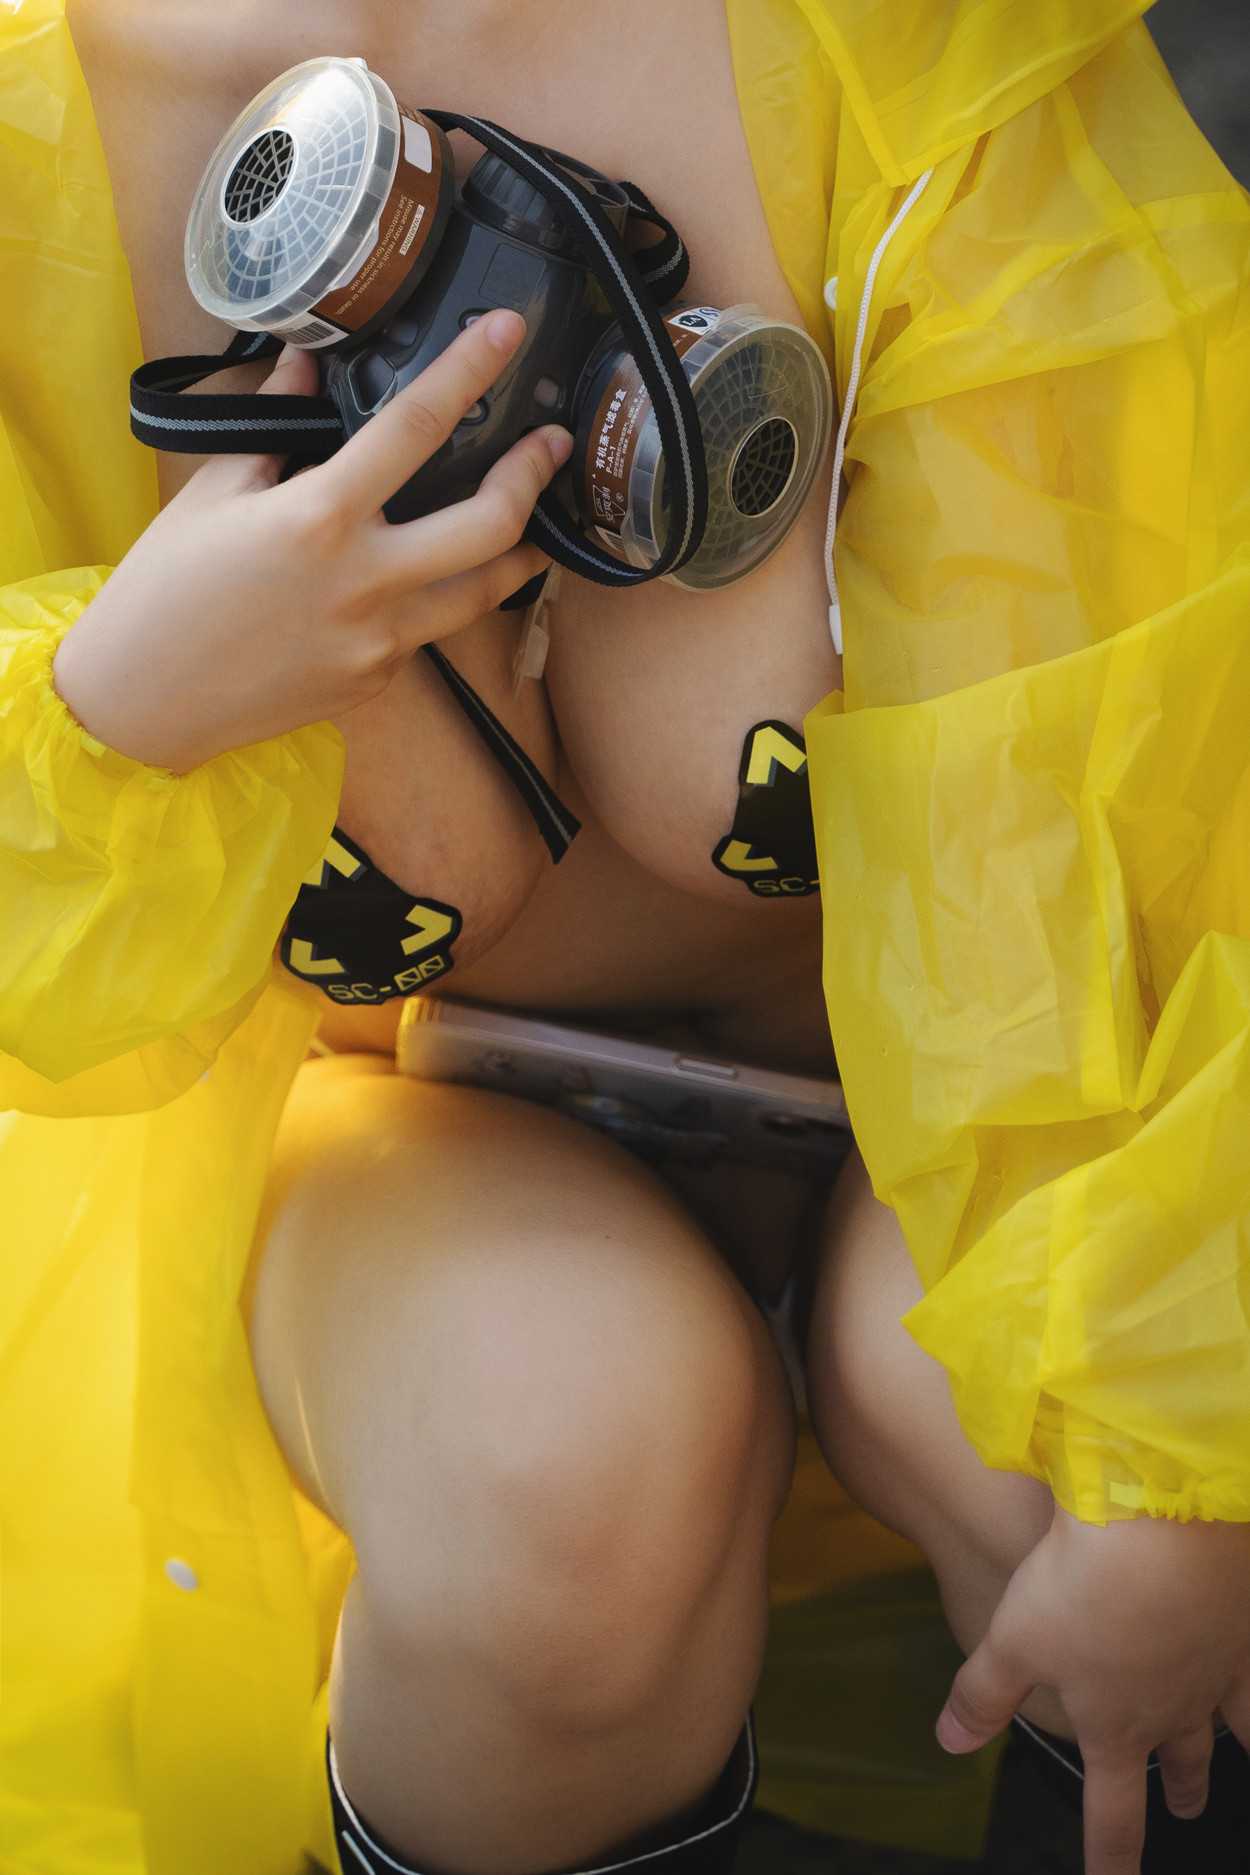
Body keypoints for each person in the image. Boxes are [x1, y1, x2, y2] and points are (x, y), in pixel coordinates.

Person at [2, 3, 1248, 1875]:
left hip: (999, 1086)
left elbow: (1160, 774)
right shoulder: (30, 138)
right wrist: (113, 713)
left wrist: (1175, 1444)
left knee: (1126, 1467)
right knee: (558, 1448)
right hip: (401, 1151)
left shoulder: (900, 45)